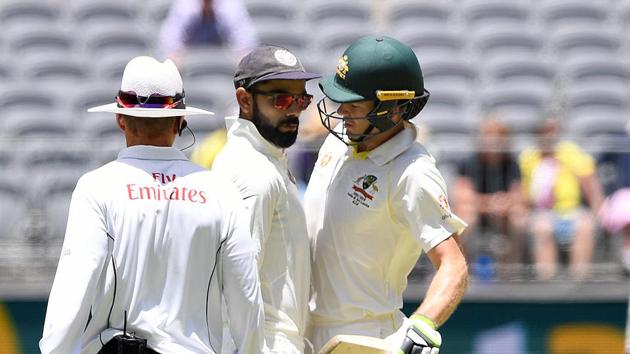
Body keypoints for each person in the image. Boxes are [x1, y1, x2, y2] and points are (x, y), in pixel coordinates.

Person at [39, 56, 264, 354]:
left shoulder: (97, 187)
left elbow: (74, 291)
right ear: (181, 122)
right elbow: (246, 298)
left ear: (120, 119)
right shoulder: (221, 191)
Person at [304, 36, 468, 353]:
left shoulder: (413, 173)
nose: (341, 112)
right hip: (307, 330)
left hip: (363, 338)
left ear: (393, 110)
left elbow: (454, 264)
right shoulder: (340, 138)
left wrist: (423, 324)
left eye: (353, 105)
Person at [212, 46, 320, 353]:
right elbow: (236, 282)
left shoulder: (261, 159)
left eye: (302, 99)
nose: (294, 110)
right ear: (244, 100)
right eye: (282, 99)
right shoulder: (254, 172)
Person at [519, 118, 604, 280]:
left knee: (585, 226)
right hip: (541, 212)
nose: (548, 136)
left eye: (551, 131)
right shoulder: (528, 157)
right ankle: (547, 282)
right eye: (543, 132)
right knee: (542, 228)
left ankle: (579, 282)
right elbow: (523, 190)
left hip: (572, 210)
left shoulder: (570, 152)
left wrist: (596, 210)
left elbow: (589, 182)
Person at [452, 116, 528, 278]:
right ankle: (461, 272)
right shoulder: (469, 162)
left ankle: (510, 273)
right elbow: (462, 196)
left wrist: (503, 204)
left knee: (518, 217)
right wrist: (490, 203)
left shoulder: (512, 163)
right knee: (466, 216)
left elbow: (520, 196)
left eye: (497, 138)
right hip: (477, 212)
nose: (493, 143)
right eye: (489, 137)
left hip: (502, 215)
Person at [158, 0, 258, 63]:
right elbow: (169, 47)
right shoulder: (184, 6)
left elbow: (246, 47)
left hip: (221, 65)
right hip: (191, 65)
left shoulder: (231, 6)